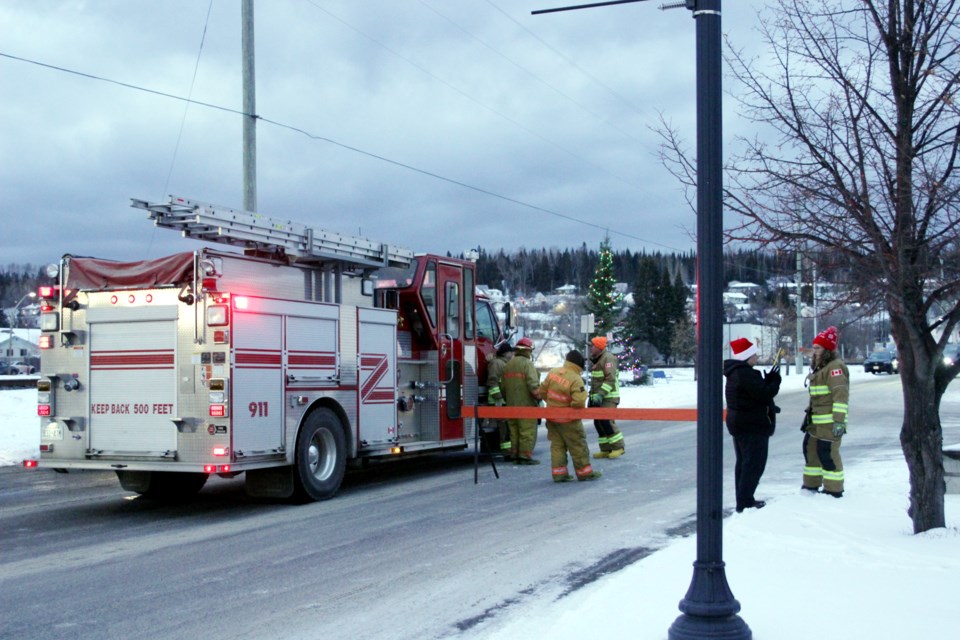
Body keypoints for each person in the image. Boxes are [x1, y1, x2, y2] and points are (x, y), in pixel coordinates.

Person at [723, 337, 781, 513]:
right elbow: (764, 394)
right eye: (754, 354)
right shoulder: (745, 374)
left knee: (744, 462)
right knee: (754, 463)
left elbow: (753, 396)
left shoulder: (735, 372)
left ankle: (744, 499)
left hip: (740, 423)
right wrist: (775, 380)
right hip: (752, 426)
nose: (756, 357)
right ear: (746, 356)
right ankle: (745, 501)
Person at [539, 350, 602, 482]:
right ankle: (584, 473)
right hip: (569, 420)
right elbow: (578, 402)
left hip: (552, 417)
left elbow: (543, 391)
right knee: (577, 445)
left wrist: (552, 405)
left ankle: (559, 474)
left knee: (557, 446)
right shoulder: (575, 378)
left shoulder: (553, 372)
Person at [802, 326, 849, 497]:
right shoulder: (820, 366)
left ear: (827, 349)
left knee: (828, 453)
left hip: (830, 422)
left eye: (818, 347)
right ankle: (810, 485)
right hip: (816, 422)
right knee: (811, 450)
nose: (814, 351)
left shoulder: (835, 367)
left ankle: (833, 489)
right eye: (814, 347)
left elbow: (840, 395)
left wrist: (839, 421)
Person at [501, 337, 542, 465]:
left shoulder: (509, 365)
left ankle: (515, 454)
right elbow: (533, 385)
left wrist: (508, 399)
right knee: (527, 431)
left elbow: (502, 387)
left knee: (514, 431)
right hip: (526, 405)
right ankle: (524, 456)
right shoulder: (527, 364)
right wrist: (539, 398)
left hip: (511, 405)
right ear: (528, 351)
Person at [587, 336, 625, 459]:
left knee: (607, 422)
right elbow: (596, 382)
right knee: (598, 423)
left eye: (592, 346)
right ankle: (606, 449)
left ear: (598, 347)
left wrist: (600, 394)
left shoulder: (608, 358)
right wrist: (592, 397)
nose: (590, 348)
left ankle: (618, 447)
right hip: (598, 398)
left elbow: (610, 379)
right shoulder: (598, 359)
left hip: (608, 398)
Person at [486, 342, 515, 459]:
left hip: (503, 401)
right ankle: (507, 452)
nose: (512, 354)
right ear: (506, 353)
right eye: (511, 352)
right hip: (498, 402)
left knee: (506, 428)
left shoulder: (503, 363)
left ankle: (508, 451)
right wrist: (499, 397)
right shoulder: (497, 363)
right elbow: (492, 382)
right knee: (504, 428)